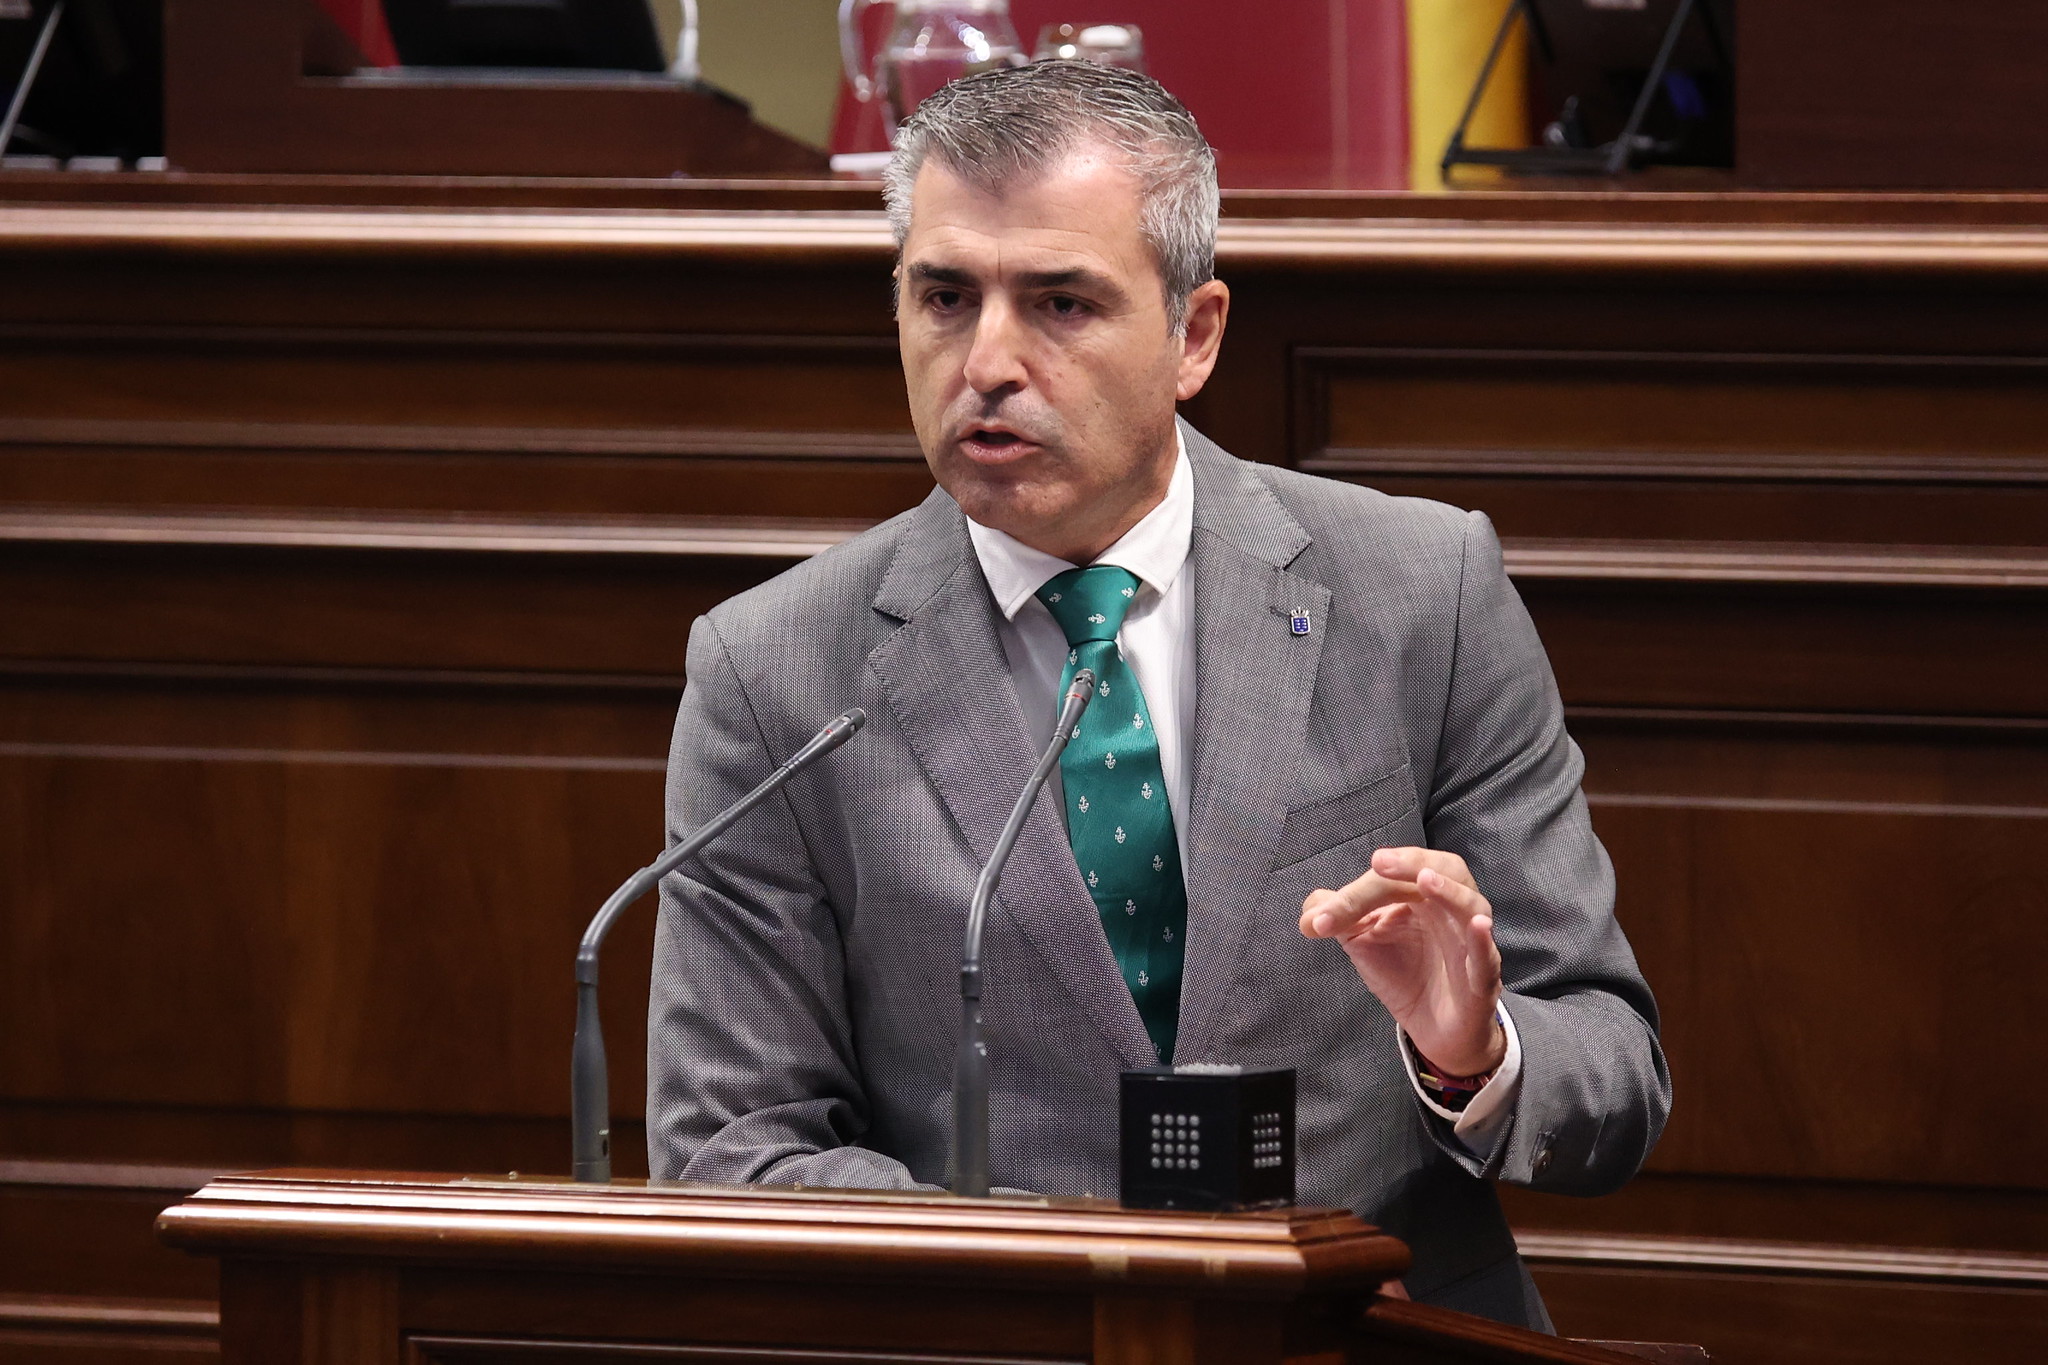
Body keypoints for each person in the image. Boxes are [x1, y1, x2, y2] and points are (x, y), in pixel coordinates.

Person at [647, 60, 1668, 1330]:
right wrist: (1066, 1269)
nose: (988, 362)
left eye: (1061, 302)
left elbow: (1615, 1078)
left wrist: (1476, 1054)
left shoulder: (1420, 592)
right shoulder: (773, 671)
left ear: (1193, 336)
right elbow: (731, 1149)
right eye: (945, 297)